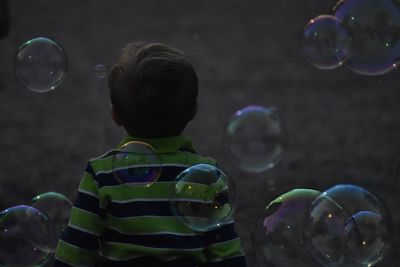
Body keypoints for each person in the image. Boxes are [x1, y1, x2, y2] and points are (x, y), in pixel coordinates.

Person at [54, 42, 246, 267]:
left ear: (115, 116)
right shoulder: (208, 177)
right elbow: (226, 252)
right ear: (193, 111)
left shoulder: (101, 173)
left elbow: (76, 247)